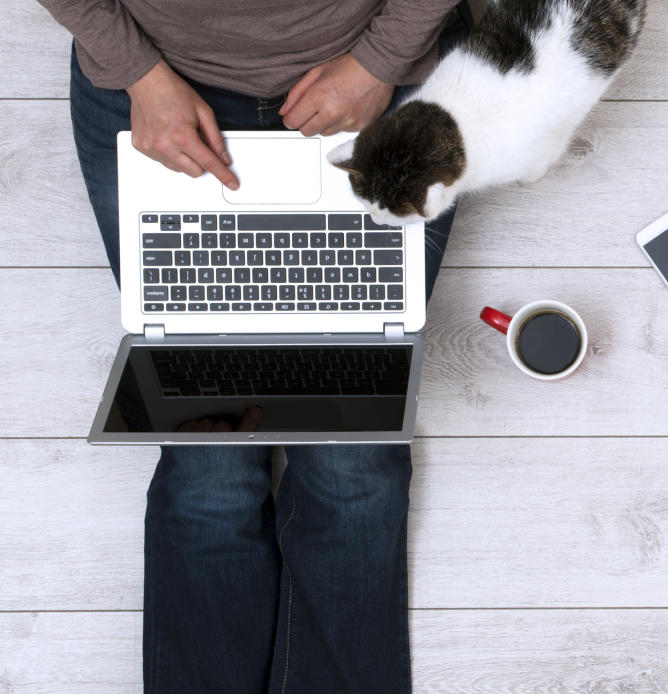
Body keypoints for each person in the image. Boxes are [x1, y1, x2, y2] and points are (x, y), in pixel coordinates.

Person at [35, 1, 473, 691]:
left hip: (380, 69)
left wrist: (381, 60)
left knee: (353, 460)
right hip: (157, 86)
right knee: (209, 462)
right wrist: (139, 74)